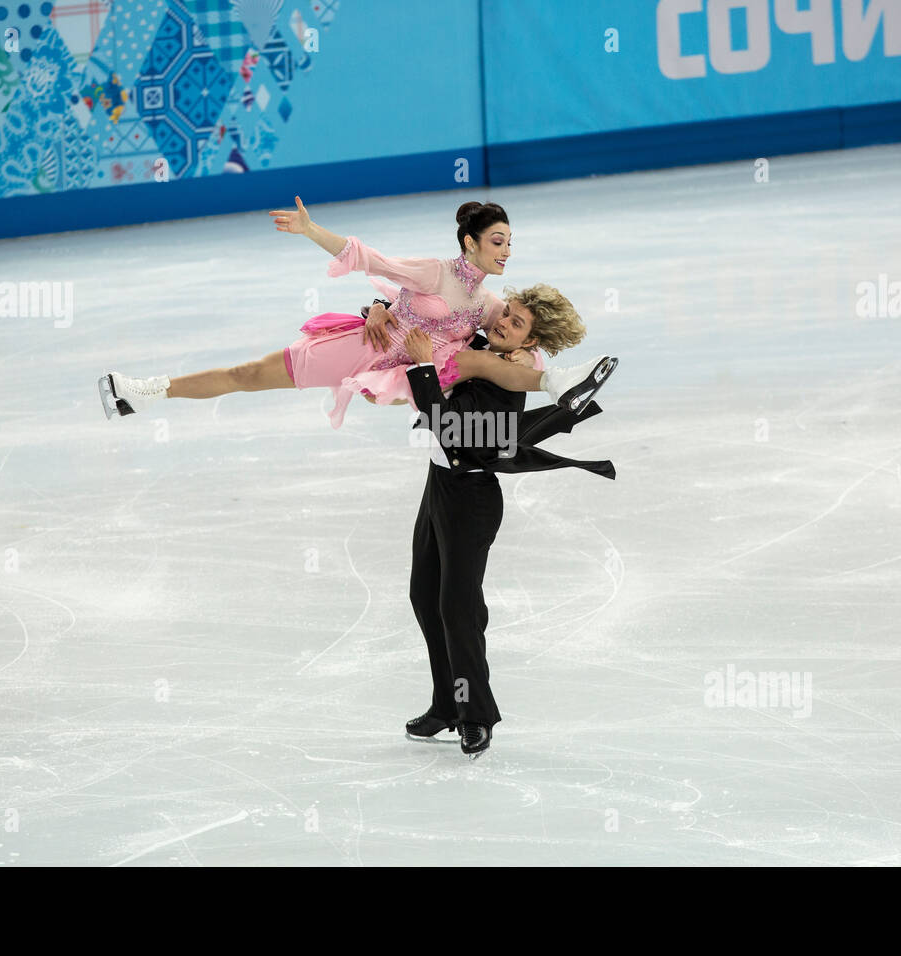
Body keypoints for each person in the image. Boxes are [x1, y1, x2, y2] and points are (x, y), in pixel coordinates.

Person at [98, 199, 615, 427]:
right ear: (470, 242)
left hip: (414, 371)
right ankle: (142, 390)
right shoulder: (433, 272)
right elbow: (371, 257)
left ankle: (557, 384)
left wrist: (539, 359)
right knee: (248, 374)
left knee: (489, 365)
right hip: (365, 348)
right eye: (497, 241)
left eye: (510, 243)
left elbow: (520, 333)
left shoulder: (489, 306)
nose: (506, 251)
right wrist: (312, 231)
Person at [394, 306, 617, 759]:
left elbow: (450, 427)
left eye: (516, 325)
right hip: (439, 486)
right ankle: (447, 704)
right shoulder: (477, 345)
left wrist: (420, 368)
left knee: (458, 609)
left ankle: (475, 715)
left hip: (470, 499)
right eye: (507, 314)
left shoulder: (507, 380)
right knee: (424, 596)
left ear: (530, 345)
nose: (503, 323)